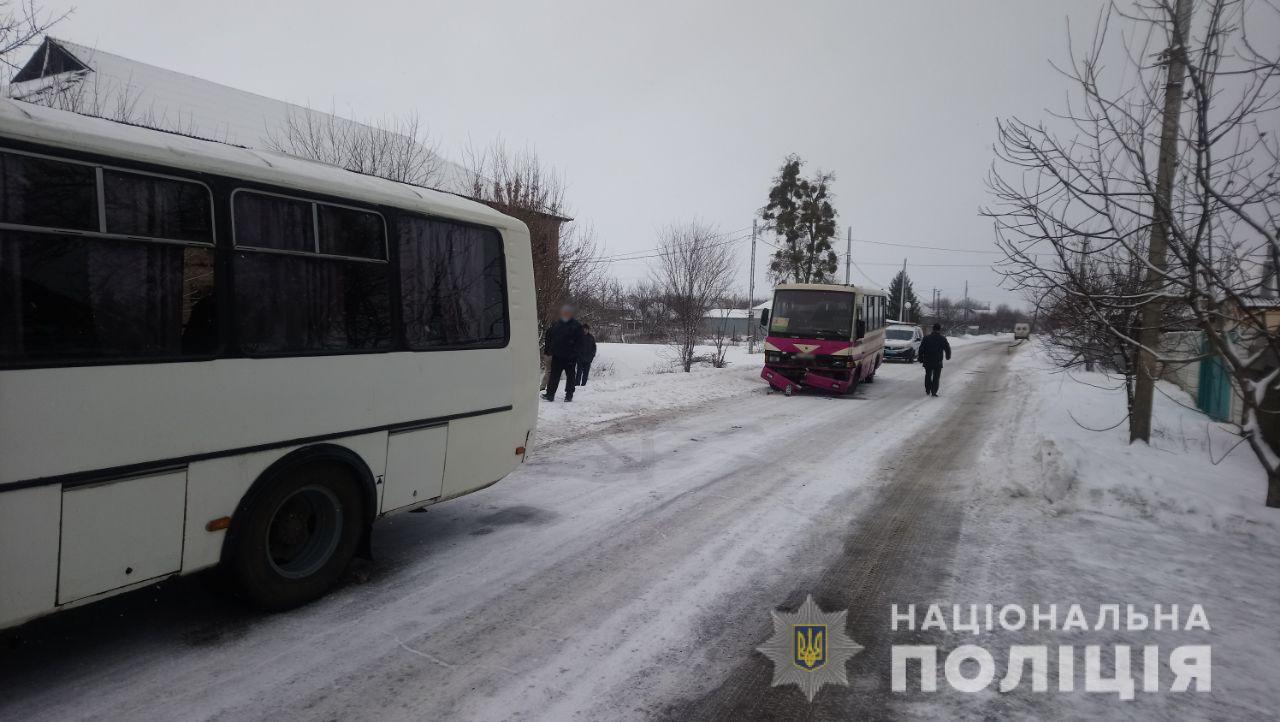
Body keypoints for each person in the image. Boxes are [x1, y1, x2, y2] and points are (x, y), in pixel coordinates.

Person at [542, 305, 584, 402]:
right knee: (554, 376)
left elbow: (580, 342)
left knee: (570, 377)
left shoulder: (576, 326)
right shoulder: (558, 324)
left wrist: (575, 354)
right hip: (557, 356)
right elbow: (553, 339)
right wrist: (551, 350)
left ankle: (569, 395)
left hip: (570, 357)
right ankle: (550, 394)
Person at [917, 323, 952, 397]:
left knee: (928, 375)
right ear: (939, 329)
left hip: (927, 360)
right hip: (938, 361)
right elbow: (947, 348)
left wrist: (920, 358)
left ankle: (927, 389)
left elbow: (921, 349)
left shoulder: (926, 338)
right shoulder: (942, 338)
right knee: (936, 377)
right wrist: (948, 356)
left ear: (933, 329)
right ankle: (934, 391)